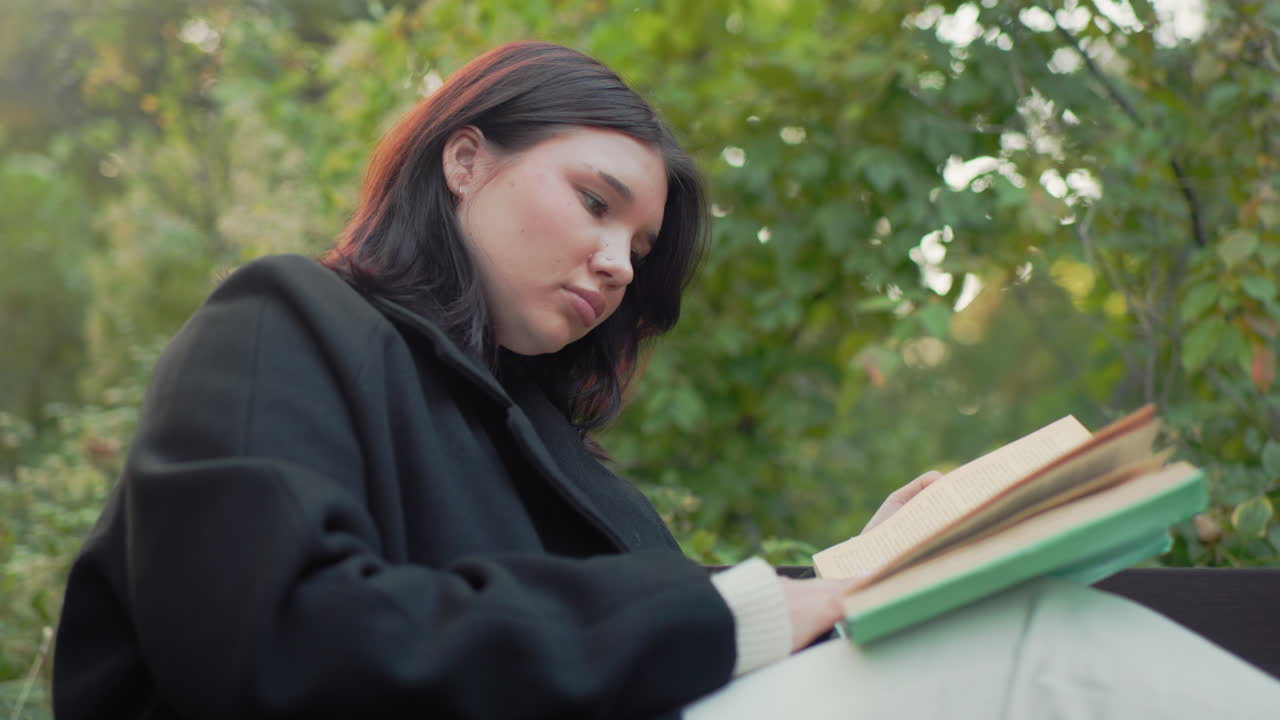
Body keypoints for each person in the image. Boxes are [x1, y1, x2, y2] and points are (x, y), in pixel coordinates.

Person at [51, 40, 892, 719]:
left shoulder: (555, 452)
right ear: (465, 160)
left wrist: (855, 569)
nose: (618, 268)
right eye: (597, 204)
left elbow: (660, 635)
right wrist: (737, 613)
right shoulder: (285, 319)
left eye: (639, 253)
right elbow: (275, 639)